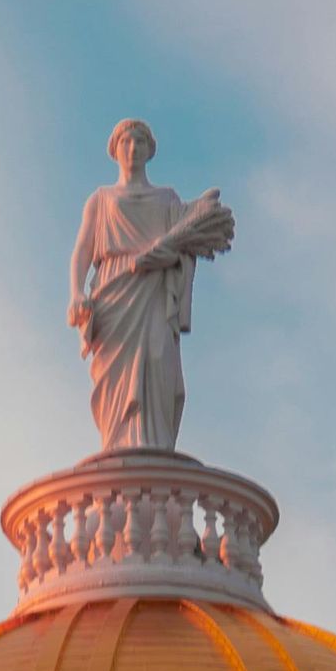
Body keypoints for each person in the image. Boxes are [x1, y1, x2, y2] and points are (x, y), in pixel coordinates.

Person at [68, 121, 232, 452]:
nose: (132, 148)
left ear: (149, 149)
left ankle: (154, 446)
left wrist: (166, 252)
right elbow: (83, 250)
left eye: (140, 142)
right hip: (113, 288)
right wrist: (76, 292)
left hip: (155, 289)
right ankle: (118, 449)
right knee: (114, 373)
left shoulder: (166, 199)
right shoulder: (101, 200)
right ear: (115, 150)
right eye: (126, 142)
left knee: (160, 362)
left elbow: (191, 239)